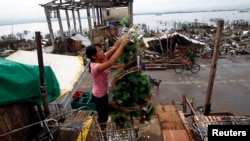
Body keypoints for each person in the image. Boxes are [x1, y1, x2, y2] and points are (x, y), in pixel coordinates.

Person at [86, 37, 130, 131]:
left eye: (101, 49)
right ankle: (102, 130)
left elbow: (114, 47)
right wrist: (122, 46)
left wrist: (123, 37)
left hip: (104, 92)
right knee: (103, 116)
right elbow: (110, 62)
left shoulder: (102, 57)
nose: (102, 51)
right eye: (99, 51)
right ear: (94, 56)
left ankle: (103, 124)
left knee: (105, 112)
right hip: (99, 96)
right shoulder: (95, 66)